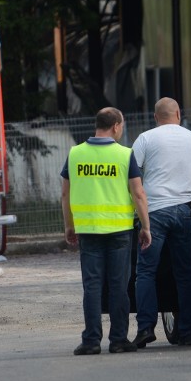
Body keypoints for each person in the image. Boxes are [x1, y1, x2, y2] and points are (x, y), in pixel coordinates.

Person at [131, 97, 191, 347]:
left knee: (146, 272)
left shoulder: (145, 139)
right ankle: (188, 332)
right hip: (184, 213)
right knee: (185, 274)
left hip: (155, 213)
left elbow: (132, 174)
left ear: (155, 117)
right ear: (178, 114)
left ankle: (146, 328)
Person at [61, 107, 152, 355]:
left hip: (88, 230)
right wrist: (145, 226)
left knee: (92, 286)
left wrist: (69, 225)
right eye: (121, 126)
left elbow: (65, 194)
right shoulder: (124, 155)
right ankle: (119, 340)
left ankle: (91, 341)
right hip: (119, 231)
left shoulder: (75, 154)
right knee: (118, 286)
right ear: (115, 126)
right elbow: (138, 193)